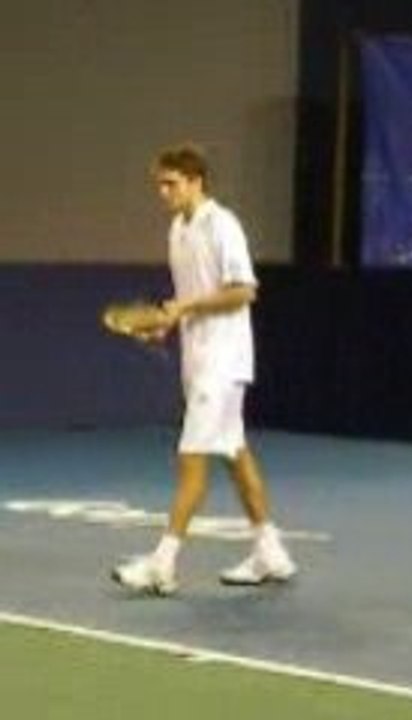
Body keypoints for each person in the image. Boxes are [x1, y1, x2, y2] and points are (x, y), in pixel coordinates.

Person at [112, 144, 296, 595]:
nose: (164, 192)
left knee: (191, 458)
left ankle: (163, 563)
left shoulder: (223, 225)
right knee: (234, 454)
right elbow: (190, 300)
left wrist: (186, 306)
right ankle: (270, 552)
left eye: (171, 183)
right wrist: (166, 326)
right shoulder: (177, 231)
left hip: (224, 361)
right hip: (198, 359)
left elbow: (244, 290)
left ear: (196, 182)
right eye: (160, 184)